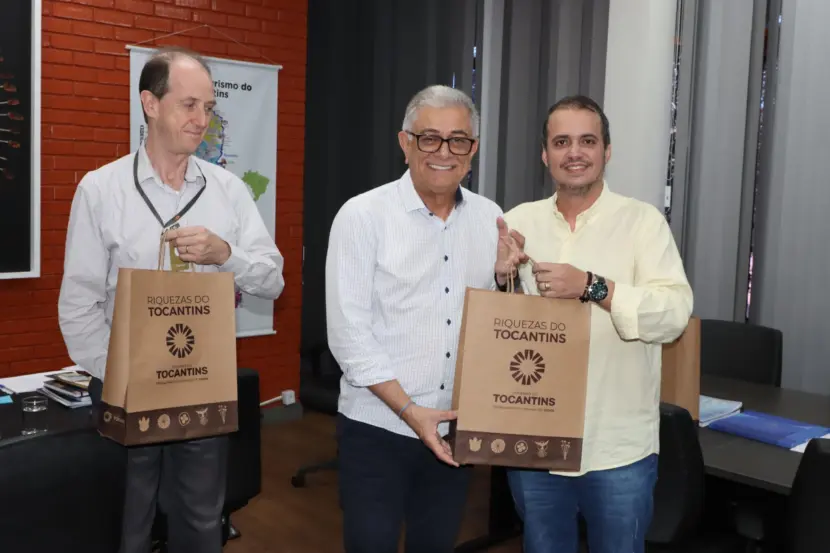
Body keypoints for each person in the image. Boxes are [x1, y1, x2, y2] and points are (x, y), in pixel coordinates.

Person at [58, 47, 285, 553]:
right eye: (189, 105)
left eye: (209, 107)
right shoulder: (101, 190)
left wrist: (226, 254)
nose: (202, 119)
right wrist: (122, 374)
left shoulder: (229, 192)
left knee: (202, 522)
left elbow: (273, 281)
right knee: (128, 524)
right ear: (150, 103)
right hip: (123, 388)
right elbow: (78, 304)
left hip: (203, 383)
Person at [495, 95, 694, 553]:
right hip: (535, 441)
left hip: (617, 446)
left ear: (607, 151)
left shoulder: (643, 223)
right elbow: (500, 331)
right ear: (545, 154)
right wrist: (503, 277)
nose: (574, 153)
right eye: (561, 142)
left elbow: (674, 314)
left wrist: (593, 286)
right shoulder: (517, 221)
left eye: (587, 141)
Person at [325, 84, 507, 553]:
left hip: (453, 428)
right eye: (429, 138)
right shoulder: (362, 216)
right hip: (378, 427)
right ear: (405, 143)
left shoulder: (490, 219)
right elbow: (348, 336)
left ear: (473, 150)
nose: (444, 152)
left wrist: (508, 279)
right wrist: (410, 411)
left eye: (458, 140)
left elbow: (494, 328)